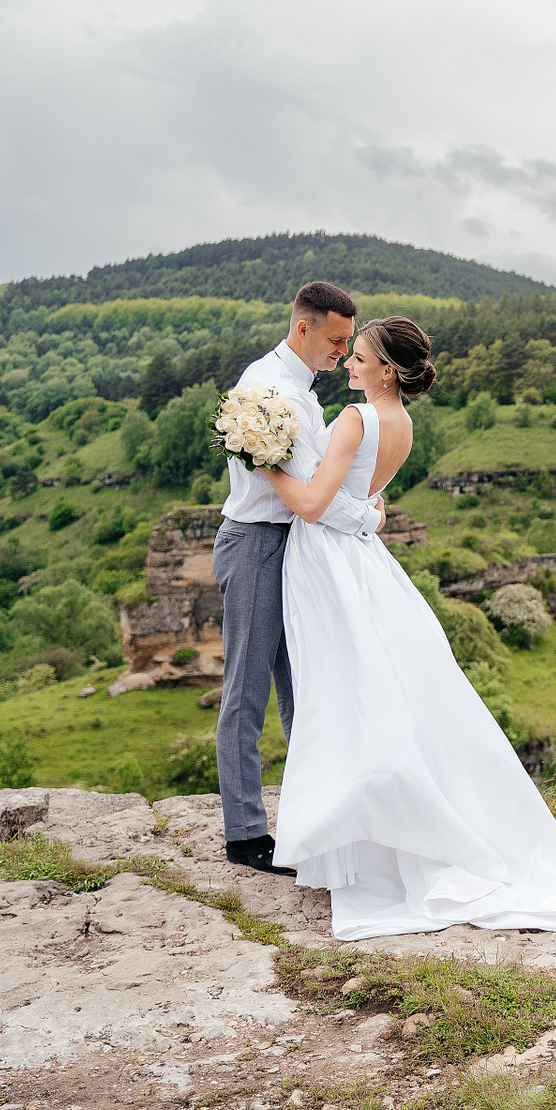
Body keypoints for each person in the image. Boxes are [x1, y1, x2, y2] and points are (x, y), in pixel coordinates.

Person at [259, 315, 556, 938]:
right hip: (363, 559)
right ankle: (363, 832)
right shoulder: (403, 424)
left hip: (328, 564)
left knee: (338, 690)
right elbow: (372, 504)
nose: (349, 363)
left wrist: (260, 462)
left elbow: (310, 505)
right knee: (372, 688)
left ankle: (365, 841)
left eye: (360, 357)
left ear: (387, 370)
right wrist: (367, 516)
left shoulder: (356, 418)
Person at [214, 281, 384, 877]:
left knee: (304, 687)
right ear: (303, 328)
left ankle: (311, 821)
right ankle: (245, 835)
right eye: (336, 340)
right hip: (258, 543)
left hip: (297, 549)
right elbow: (313, 493)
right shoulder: (269, 390)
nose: (343, 351)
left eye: (349, 342)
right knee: (247, 690)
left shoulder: (301, 388)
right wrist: (369, 519)